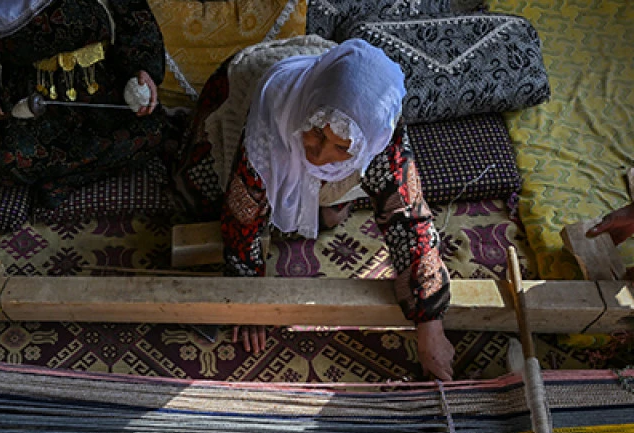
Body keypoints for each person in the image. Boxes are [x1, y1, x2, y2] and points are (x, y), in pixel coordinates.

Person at [178, 38, 455, 381]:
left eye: (341, 147)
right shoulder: (274, 111)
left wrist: (430, 324)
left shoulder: (378, 126)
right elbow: (242, 213)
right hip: (250, 88)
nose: (320, 155)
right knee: (200, 192)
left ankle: (318, 192)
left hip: (330, 85)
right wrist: (248, 297)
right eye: (316, 134)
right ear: (309, 115)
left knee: (334, 210)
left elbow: (408, 219)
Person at [0, 0, 171, 205]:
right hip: (32, 98)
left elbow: (134, 15)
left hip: (100, 85)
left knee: (154, 132)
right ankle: (75, 174)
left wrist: (143, 68)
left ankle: (64, 181)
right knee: (6, 160)